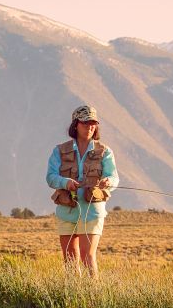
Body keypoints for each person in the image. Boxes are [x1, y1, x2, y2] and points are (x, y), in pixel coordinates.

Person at [46, 105, 119, 276]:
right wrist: (65, 182)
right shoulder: (59, 151)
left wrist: (108, 182)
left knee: (88, 256)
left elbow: (114, 178)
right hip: (66, 210)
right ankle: (74, 297)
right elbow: (50, 177)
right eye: (86, 122)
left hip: (92, 211)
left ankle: (93, 297)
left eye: (93, 123)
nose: (90, 126)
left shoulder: (105, 152)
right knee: (69, 258)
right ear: (76, 125)